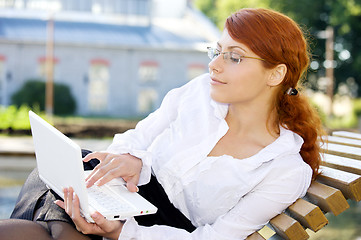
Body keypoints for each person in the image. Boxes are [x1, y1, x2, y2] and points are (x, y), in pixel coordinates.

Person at [0, 7, 325, 240]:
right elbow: (139, 136)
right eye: (217, 51)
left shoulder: (283, 169)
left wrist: (123, 233)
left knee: (52, 213)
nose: (214, 65)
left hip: (168, 231)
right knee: (64, 171)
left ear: (276, 74)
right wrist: (132, 158)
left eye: (234, 56)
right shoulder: (199, 92)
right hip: (133, 195)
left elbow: (215, 238)